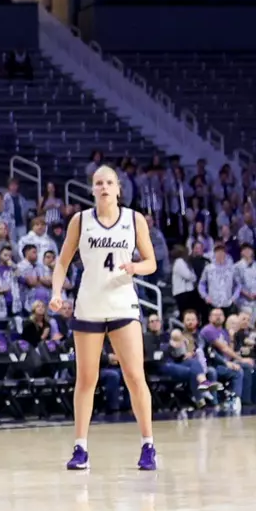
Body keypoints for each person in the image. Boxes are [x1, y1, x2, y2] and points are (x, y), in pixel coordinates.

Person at [50, 166, 160, 471]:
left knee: (135, 377)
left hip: (123, 304)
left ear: (118, 188)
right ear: (92, 189)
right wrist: (57, 292)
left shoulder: (133, 219)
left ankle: (148, 445)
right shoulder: (80, 220)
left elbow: (151, 262)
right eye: (98, 183)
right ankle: (80, 448)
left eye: (109, 182)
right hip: (89, 305)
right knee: (86, 379)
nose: (104, 187)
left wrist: (135, 268)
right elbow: (62, 262)